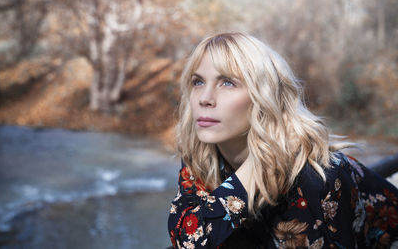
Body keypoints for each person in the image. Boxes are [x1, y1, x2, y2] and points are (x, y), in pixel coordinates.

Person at [167, 32, 398, 249]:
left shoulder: (315, 176)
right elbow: (187, 240)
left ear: (264, 96)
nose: (205, 98)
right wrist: (254, 168)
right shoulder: (202, 155)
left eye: (228, 82)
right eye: (198, 82)